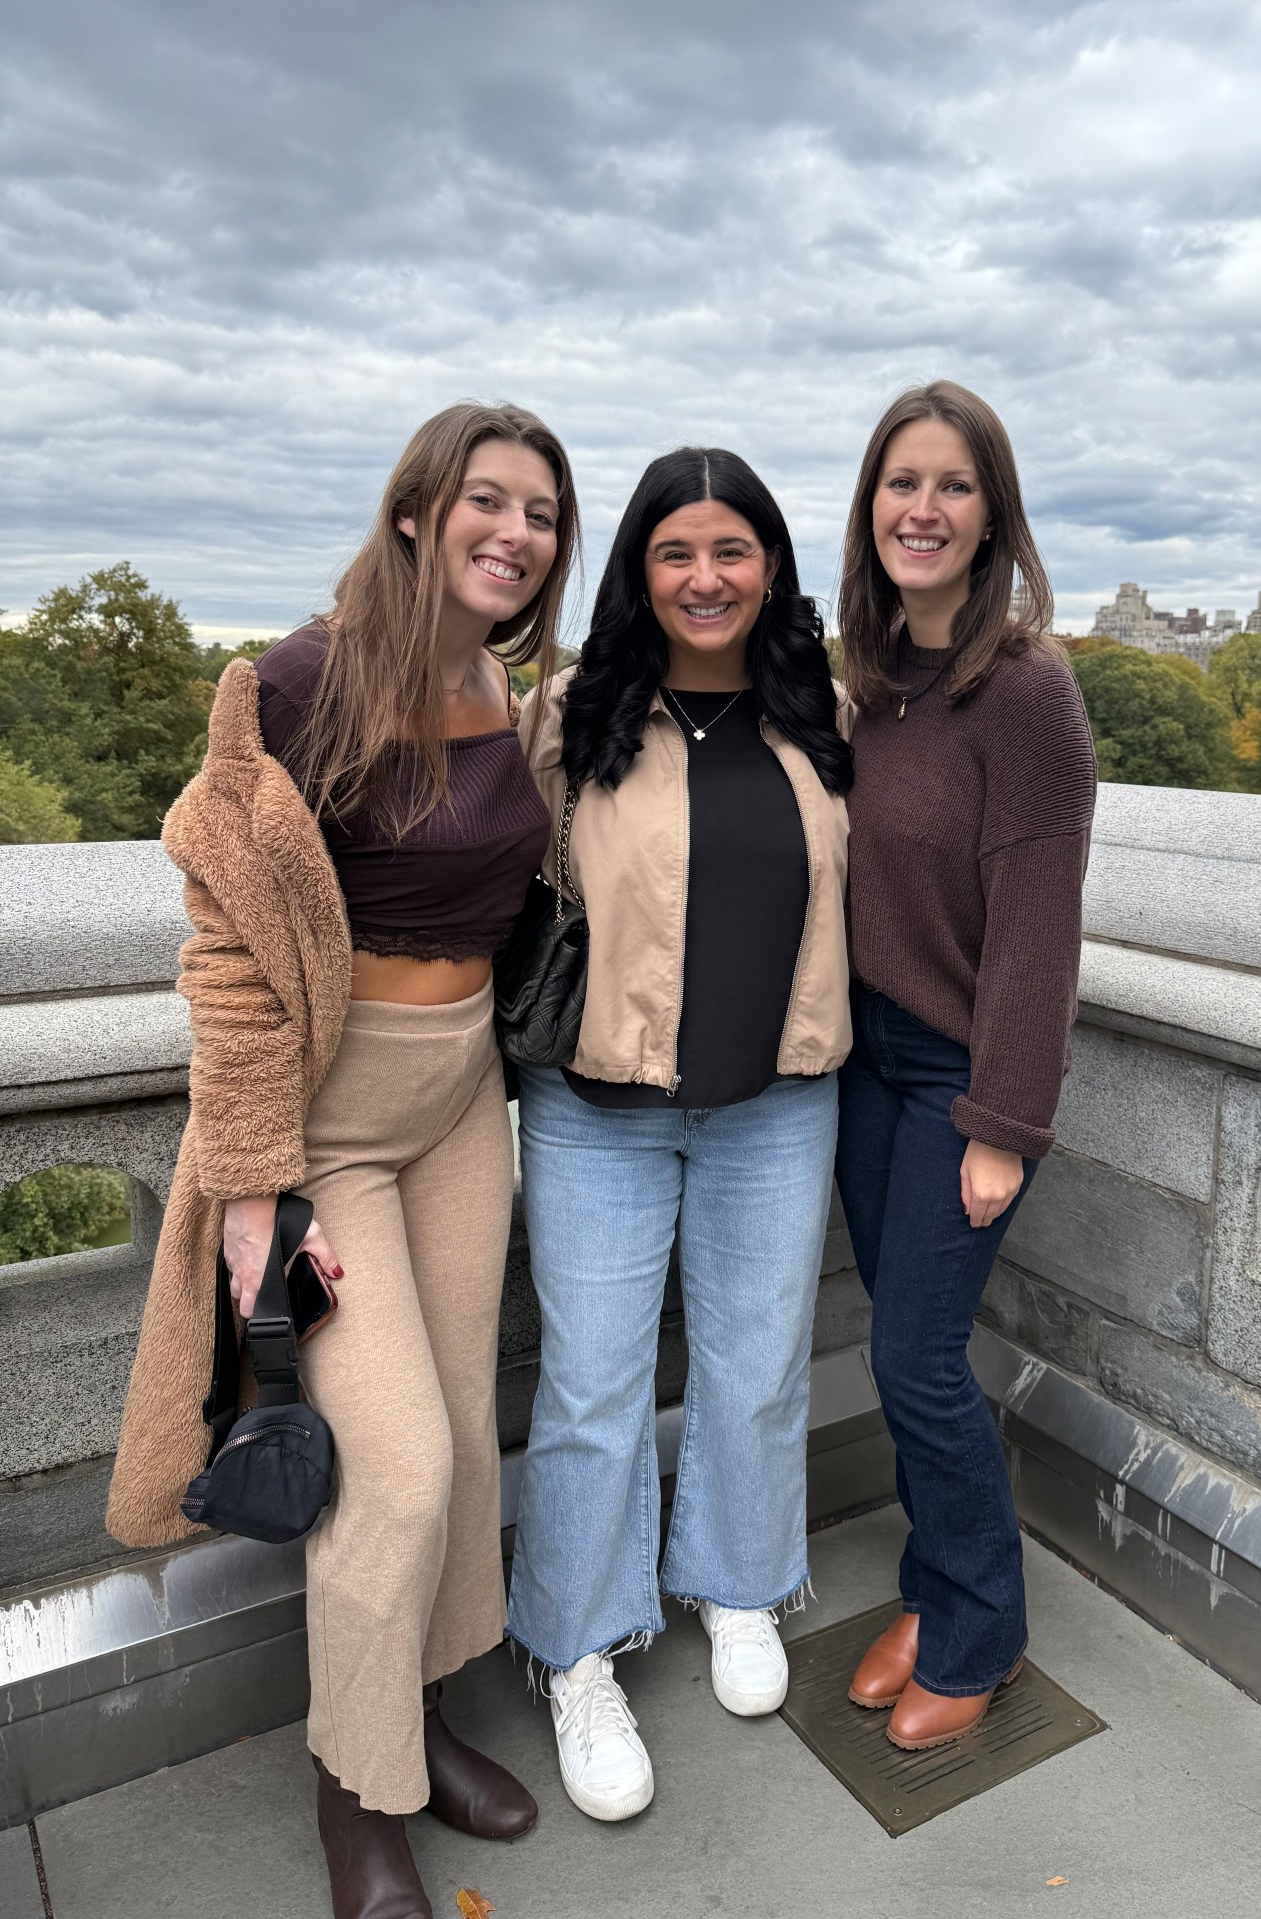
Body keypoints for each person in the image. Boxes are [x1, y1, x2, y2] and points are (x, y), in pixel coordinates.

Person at [106, 401, 580, 1919]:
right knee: (400, 1461)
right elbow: (230, 949)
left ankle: (421, 1716)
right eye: (488, 503)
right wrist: (254, 1187)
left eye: (544, 513)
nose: (517, 534)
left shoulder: (508, 691)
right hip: (329, 1129)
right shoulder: (300, 685)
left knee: (458, 1425)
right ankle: (355, 1789)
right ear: (414, 513)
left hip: (460, 1112)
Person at [509, 446, 853, 1821]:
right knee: (591, 1387)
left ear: (768, 563)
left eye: (732, 551)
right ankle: (579, 1649)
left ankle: (738, 1582)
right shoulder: (568, 718)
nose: (705, 578)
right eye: (675, 553)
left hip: (781, 1096)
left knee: (758, 1363)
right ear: (638, 570)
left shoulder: (824, 713)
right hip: (598, 1106)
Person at [832, 380, 1096, 1752]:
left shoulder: (1026, 690)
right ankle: (935, 1594)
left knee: (918, 1359)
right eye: (899, 482)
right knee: (901, 1349)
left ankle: (979, 1632)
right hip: (862, 1064)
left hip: (957, 1078)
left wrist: (1002, 1121)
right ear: (868, 504)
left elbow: (1041, 932)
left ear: (993, 513)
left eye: (951, 485)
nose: (920, 510)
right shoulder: (870, 683)